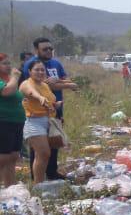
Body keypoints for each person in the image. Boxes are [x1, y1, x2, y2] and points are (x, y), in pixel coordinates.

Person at [19, 37, 77, 181]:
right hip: (35, 118)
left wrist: (58, 89)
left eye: (51, 48)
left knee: (53, 143)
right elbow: (32, 89)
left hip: (52, 114)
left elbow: (65, 81)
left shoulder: (55, 63)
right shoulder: (30, 67)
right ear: (36, 50)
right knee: (40, 150)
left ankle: (51, 172)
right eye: (45, 49)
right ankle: (37, 179)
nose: (49, 51)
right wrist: (67, 85)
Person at [19, 60, 58, 185]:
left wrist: (56, 105)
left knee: (45, 155)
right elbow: (31, 92)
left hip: (48, 121)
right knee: (43, 153)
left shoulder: (45, 85)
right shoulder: (26, 83)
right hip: (33, 122)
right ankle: (37, 184)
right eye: (37, 69)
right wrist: (39, 97)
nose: (40, 72)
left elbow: (50, 101)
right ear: (30, 71)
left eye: (42, 70)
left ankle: (41, 181)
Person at [0, 54, 24, 187]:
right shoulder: (8, 81)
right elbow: (7, 91)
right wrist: (15, 77)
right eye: (4, 63)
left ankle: (10, 187)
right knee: (3, 156)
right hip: (4, 122)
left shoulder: (8, 79)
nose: (8, 66)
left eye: (9, 63)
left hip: (16, 122)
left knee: (13, 156)